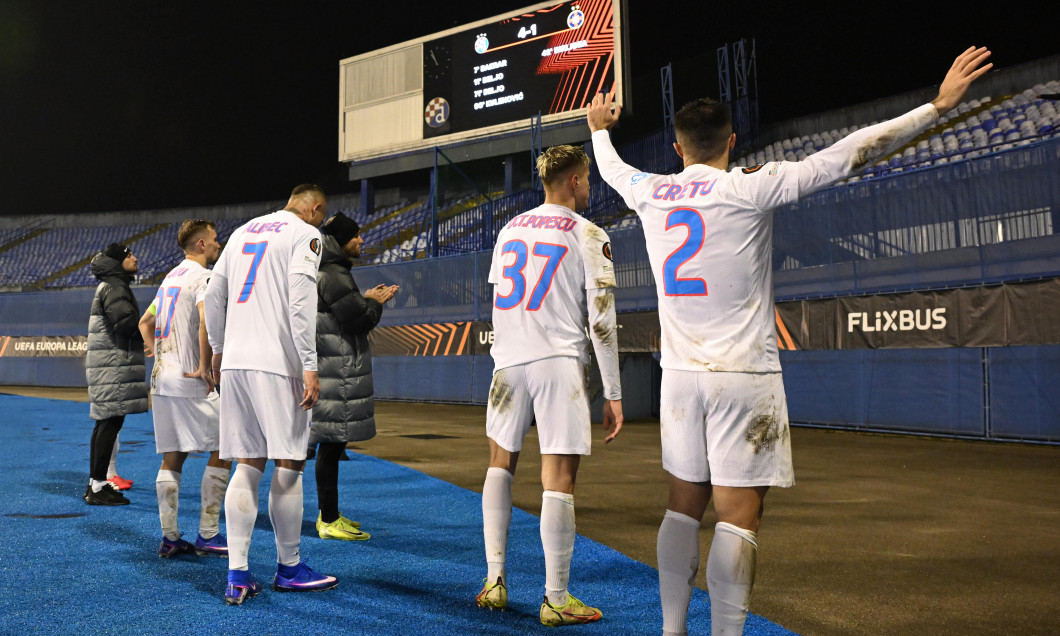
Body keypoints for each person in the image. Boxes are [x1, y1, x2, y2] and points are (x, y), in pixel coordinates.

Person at [586, 46, 993, 635]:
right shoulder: (752, 187)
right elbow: (846, 153)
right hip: (744, 378)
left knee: (682, 508)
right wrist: (935, 106)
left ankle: (672, 630)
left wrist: (599, 132)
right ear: (731, 143)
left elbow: (613, 170)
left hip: (679, 378)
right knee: (738, 518)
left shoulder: (651, 192)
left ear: (677, 149)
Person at [476, 145, 624, 627]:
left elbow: (499, 299)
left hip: (509, 362)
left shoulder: (510, 229)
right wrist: (614, 392)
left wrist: (504, 357)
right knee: (558, 479)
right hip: (558, 362)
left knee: (500, 466)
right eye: (587, 179)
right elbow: (602, 321)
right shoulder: (588, 232)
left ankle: (494, 580)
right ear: (577, 181)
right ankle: (556, 598)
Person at [204, 184, 338, 605]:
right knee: (291, 460)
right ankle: (290, 567)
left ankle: (238, 573)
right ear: (315, 210)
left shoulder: (243, 231)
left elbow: (213, 294)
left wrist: (220, 349)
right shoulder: (305, 234)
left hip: (236, 361)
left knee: (247, 462)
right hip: (277, 362)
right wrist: (310, 365)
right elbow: (302, 300)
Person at [137, 219, 232, 558]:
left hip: (162, 377)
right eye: (215, 240)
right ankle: (208, 532)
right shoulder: (203, 277)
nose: (219, 244)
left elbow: (144, 323)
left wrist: (153, 348)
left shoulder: (170, 279)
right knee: (225, 447)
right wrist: (206, 366)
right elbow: (206, 321)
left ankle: (170, 537)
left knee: (172, 456)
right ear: (201, 245)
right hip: (191, 378)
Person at [309, 212, 398, 541]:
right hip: (337, 368)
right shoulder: (332, 273)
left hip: (336, 365)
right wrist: (374, 304)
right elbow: (357, 321)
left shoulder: (332, 271)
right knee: (330, 445)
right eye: (355, 235)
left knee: (333, 443)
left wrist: (365, 300)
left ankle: (330, 514)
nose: (361, 240)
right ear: (339, 241)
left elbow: (346, 311)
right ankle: (328, 519)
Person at [84, 243, 148, 506]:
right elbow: (125, 324)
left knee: (107, 423)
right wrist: (152, 325)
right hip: (113, 365)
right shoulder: (115, 287)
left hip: (110, 364)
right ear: (119, 262)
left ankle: (97, 484)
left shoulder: (112, 284)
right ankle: (97, 488)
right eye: (129, 255)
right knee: (109, 423)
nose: (134, 258)